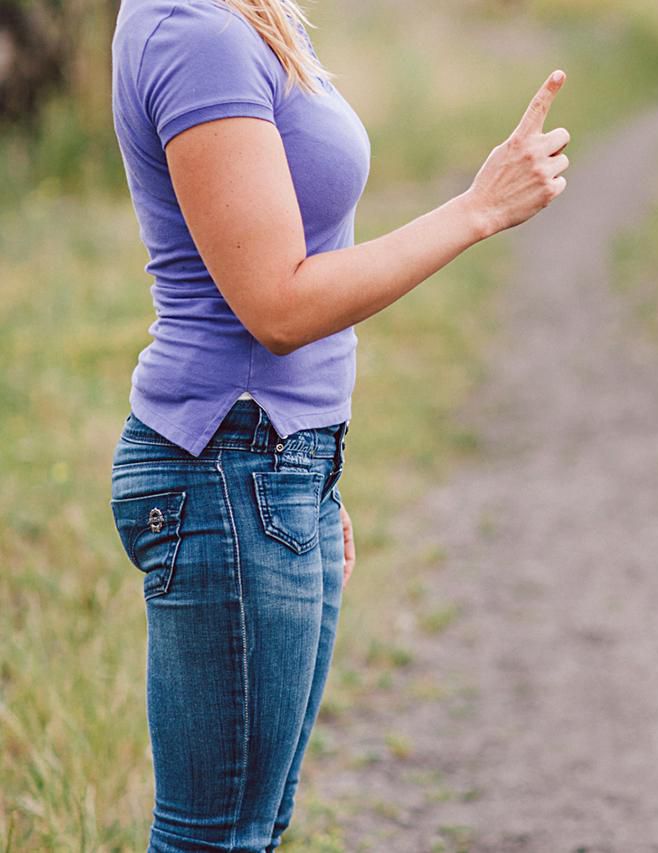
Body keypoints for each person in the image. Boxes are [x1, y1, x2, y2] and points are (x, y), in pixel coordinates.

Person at [108, 0, 570, 849]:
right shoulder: (192, 30)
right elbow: (277, 304)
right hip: (229, 465)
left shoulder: (244, 15)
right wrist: (476, 210)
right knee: (218, 838)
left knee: (253, 827)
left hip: (274, 467)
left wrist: (312, 472)